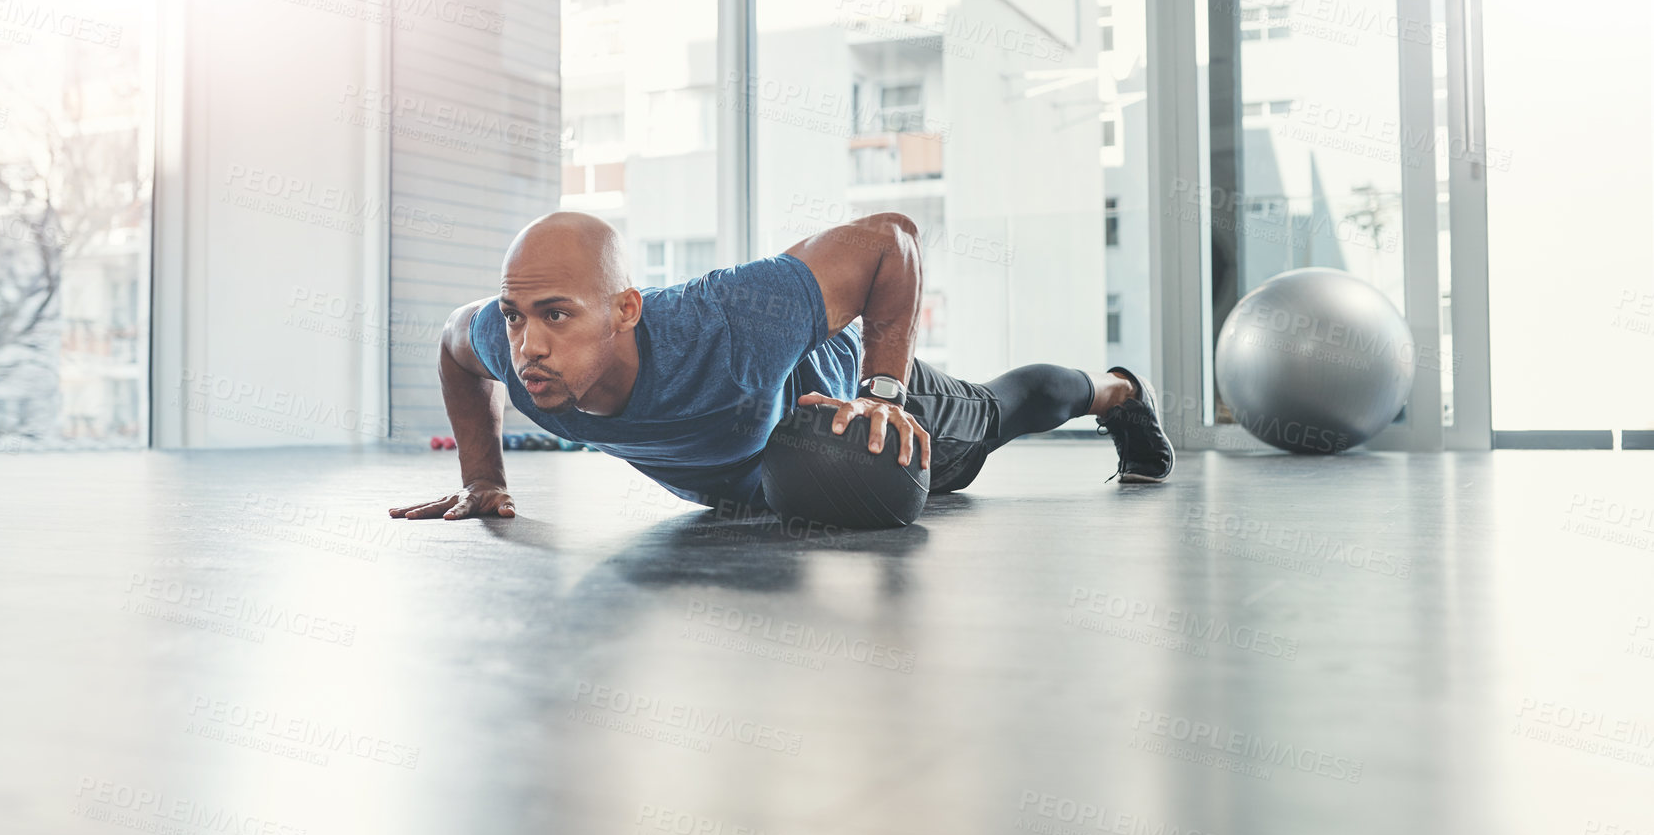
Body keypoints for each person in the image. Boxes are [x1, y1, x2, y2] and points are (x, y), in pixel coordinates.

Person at [389, 211, 1173, 522]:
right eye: (517, 316)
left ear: (624, 311)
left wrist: (884, 396)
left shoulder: (724, 323)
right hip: (758, 481)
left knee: (1002, 410)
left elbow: (889, 240)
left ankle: (1116, 391)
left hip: (845, 408)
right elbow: (456, 350)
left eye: (556, 314)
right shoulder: (509, 338)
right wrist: (483, 478)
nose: (527, 345)